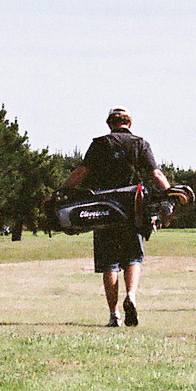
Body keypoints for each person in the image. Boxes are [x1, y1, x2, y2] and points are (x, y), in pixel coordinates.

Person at [58, 108, 175, 327]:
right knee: (133, 258)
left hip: (104, 210)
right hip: (133, 209)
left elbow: (81, 172)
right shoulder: (140, 144)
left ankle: (114, 315)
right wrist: (171, 196)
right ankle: (131, 296)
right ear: (129, 123)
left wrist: (60, 192)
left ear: (109, 124)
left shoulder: (100, 144)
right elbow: (156, 174)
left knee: (109, 264)